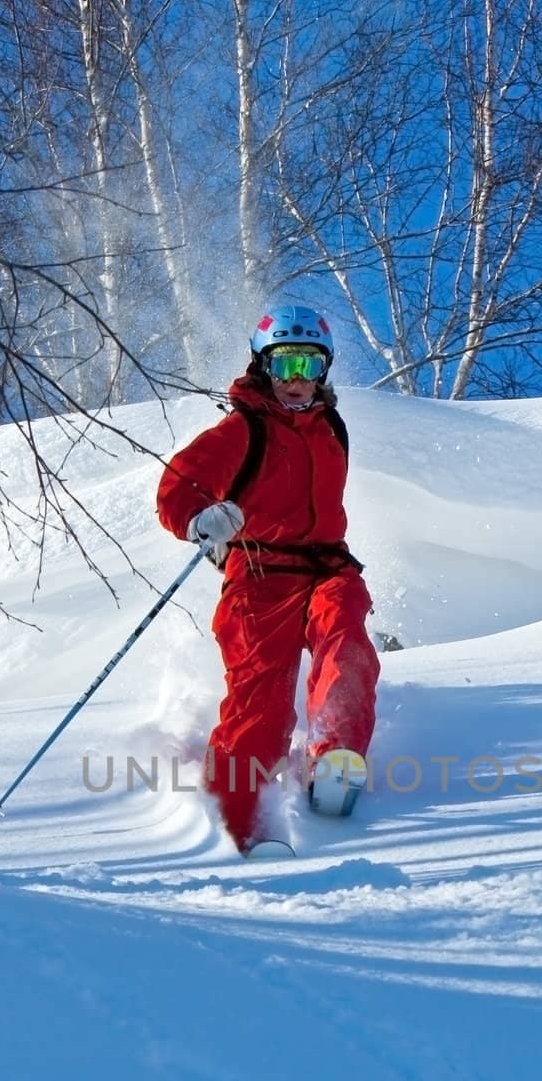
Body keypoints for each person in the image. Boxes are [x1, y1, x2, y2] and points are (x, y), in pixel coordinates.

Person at [156, 303, 379, 856]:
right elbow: (177, 487)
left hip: (328, 565)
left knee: (347, 644)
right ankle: (231, 825)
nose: (298, 380)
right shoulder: (242, 429)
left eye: (309, 364)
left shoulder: (331, 428)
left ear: (323, 370)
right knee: (263, 703)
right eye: (285, 366)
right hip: (259, 573)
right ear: (263, 367)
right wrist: (200, 519)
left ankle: (333, 760)